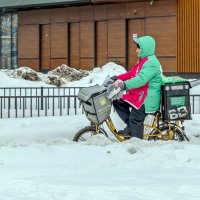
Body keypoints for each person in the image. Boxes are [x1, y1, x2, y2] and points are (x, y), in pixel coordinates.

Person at [111, 35, 162, 139]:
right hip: (139, 94)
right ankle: (130, 127)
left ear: (145, 48)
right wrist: (116, 78)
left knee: (135, 119)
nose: (136, 50)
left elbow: (141, 79)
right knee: (118, 102)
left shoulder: (151, 62)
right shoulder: (143, 60)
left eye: (138, 48)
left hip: (147, 98)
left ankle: (137, 142)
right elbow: (131, 74)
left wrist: (124, 85)